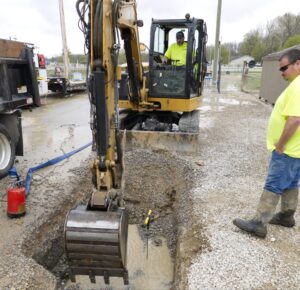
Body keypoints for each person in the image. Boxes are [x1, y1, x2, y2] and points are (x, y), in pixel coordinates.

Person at [233, 49, 300, 238]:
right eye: (280, 69)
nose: (282, 72)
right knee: (291, 181)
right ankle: (287, 216)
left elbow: (295, 119)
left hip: (287, 149)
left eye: (284, 68)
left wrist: (280, 145)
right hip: (296, 150)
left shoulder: (297, 87)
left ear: (298, 63)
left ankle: (258, 223)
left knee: (274, 183)